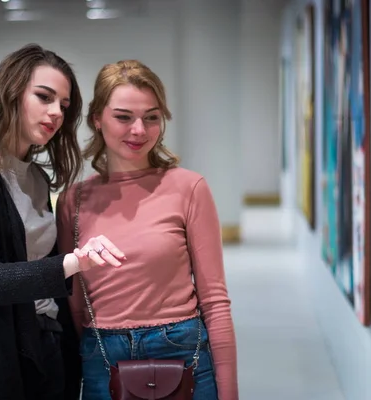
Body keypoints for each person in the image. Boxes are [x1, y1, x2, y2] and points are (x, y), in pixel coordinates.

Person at [0, 44, 125, 400]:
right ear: (11, 92)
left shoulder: (35, 177)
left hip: (43, 348)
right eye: (44, 97)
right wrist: (74, 262)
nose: (55, 113)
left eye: (63, 106)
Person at [56, 60, 239, 400]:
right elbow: (75, 301)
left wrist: (229, 393)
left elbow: (214, 301)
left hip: (180, 350)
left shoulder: (189, 188)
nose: (139, 130)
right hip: (101, 353)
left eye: (151, 117)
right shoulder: (74, 201)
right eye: (124, 117)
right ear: (97, 120)